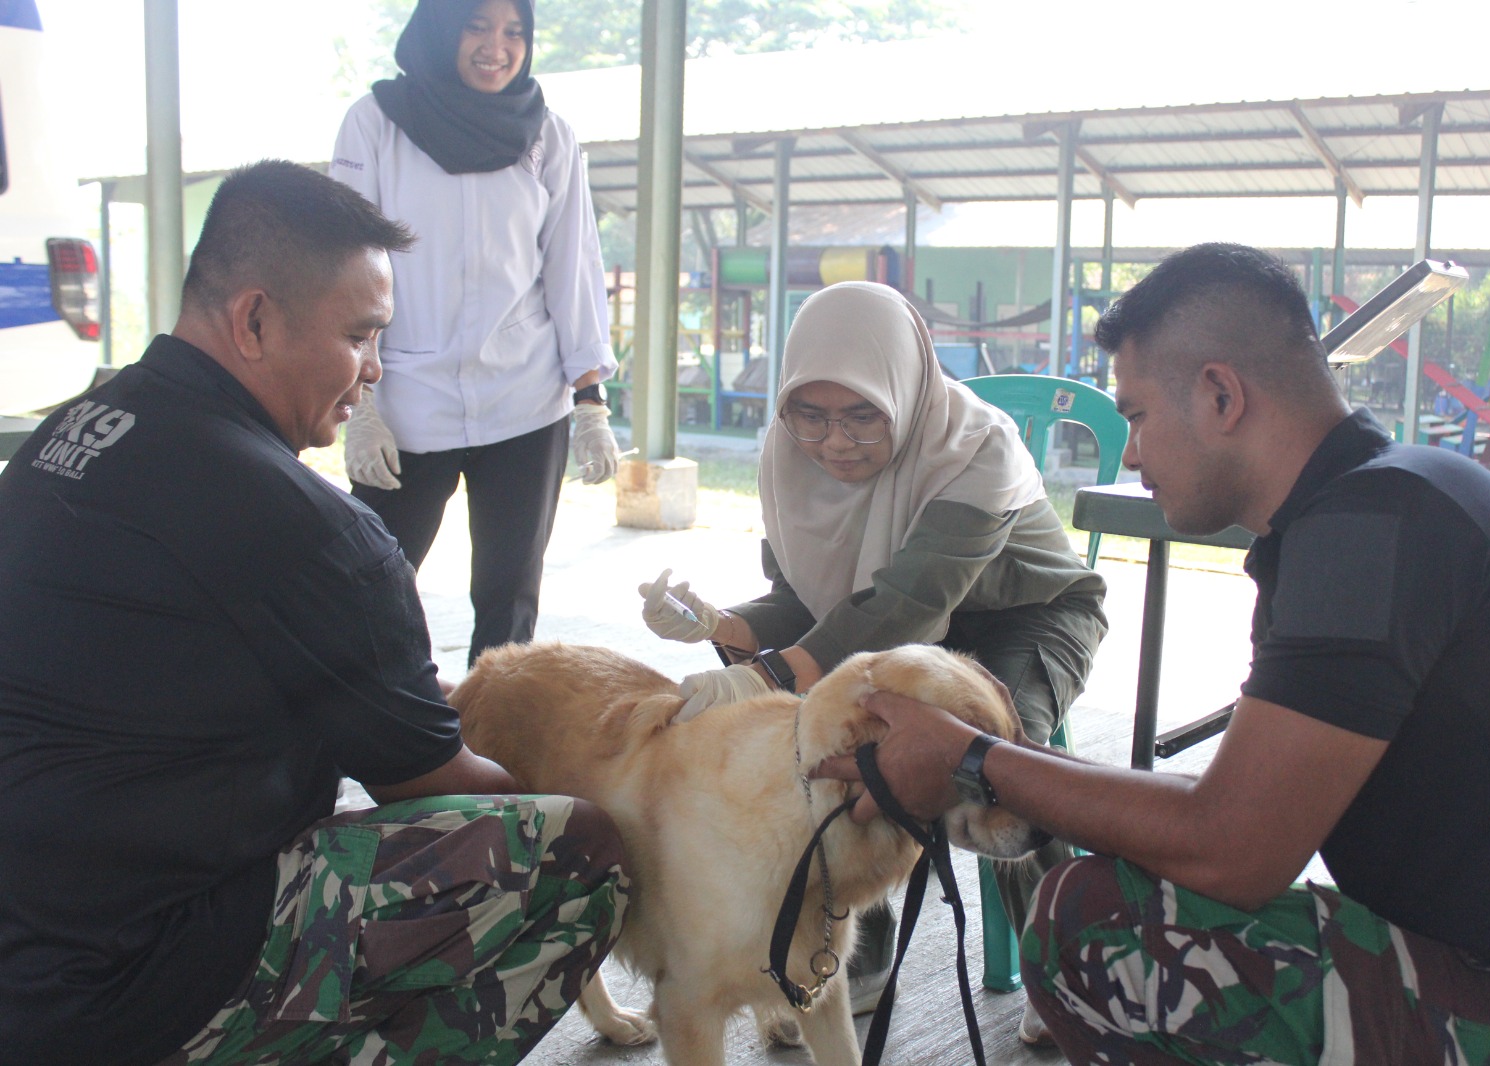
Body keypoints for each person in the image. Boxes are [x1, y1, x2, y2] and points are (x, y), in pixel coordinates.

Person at [815, 244, 1490, 1064]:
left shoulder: (1369, 532)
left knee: (1093, 925)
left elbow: (1234, 847)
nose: (1131, 452)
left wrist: (974, 760)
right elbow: (1225, 808)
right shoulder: (1383, 502)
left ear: (1221, 395)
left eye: (1138, 416)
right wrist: (985, 756)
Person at [0, 160, 628, 1066]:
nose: (374, 370)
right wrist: (598, 785)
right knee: (582, 848)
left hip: (29, 946)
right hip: (133, 985)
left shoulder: (73, 433)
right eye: (360, 335)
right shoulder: (310, 531)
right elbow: (447, 788)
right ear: (254, 320)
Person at [637, 279, 1108, 1019]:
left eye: (863, 416)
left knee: (1002, 754)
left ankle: (1067, 970)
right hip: (888, 630)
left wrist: (769, 673)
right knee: (836, 741)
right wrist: (722, 626)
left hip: (1024, 618)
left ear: (904, 392)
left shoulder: (973, 449)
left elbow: (906, 606)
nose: (834, 442)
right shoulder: (787, 457)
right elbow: (807, 603)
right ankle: (852, 944)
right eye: (811, 415)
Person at [331, 0, 617, 665]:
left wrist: (590, 401)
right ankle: (381, 718)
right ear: (441, 29)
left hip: (524, 399)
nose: (498, 46)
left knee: (509, 594)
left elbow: (572, 264)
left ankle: (496, 724)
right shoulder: (375, 124)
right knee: (369, 585)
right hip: (406, 400)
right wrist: (359, 404)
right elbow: (344, 264)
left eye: (514, 31)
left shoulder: (548, 134)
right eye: (477, 26)